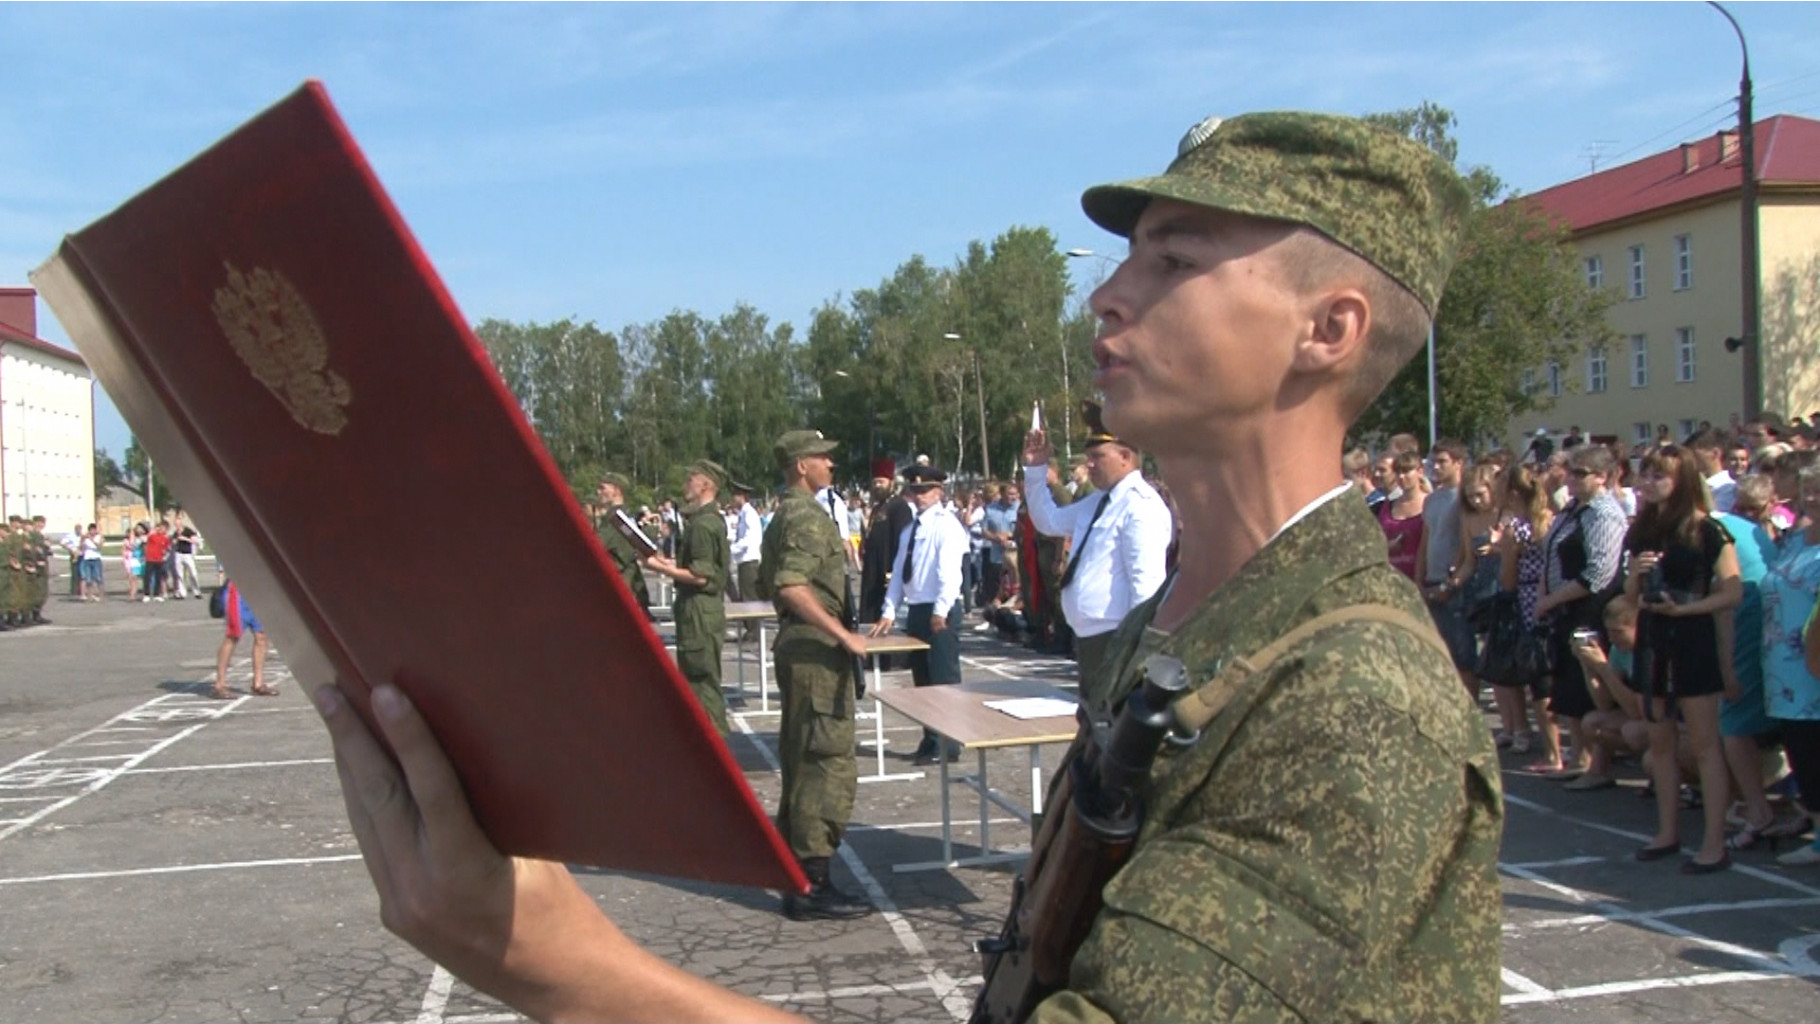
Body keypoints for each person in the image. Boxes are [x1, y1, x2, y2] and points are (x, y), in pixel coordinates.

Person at [309, 111, 1500, 1021]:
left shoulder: (1354, 699)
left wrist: (561, 966)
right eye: (1124, 259)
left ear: (1326, 330)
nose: (1106, 296)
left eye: (1173, 259)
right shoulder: (1205, 623)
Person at [760, 429, 874, 919]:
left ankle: (798, 874)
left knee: (802, 756)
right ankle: (813, 883)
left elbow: (769, 581)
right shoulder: (807, 516)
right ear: (801, 465)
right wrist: (842, 634)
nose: (831, 464)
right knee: (826, 763)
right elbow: (790, 585)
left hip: (801, 648)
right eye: (822, 458)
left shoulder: (784, 513)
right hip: (816, 655)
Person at [1623, 444, 1742, 873]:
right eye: (1646, 474)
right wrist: (1636, 579)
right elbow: (1630, 597)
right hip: (1654, 637)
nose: (1648, 482)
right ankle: (1667, 831)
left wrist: (1687, 609)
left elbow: (1733, 592)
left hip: (1693, 638)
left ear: (1682, 480)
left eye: (1659, 475)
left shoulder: (1707, 529)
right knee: (1660, 741)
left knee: (1705, 744)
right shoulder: (1642, 531)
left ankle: (1714, 842)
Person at [1021, 400, 1172, 702]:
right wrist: (1035, 470)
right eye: (1088, 457)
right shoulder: (1098, 502)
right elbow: (1048, 521)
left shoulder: (1140, 505)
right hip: (1092, 637)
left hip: (1115, 638)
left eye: (1097, 456)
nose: (1088, 464)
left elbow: (1146, 584)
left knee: (1109, 720)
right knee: (1094, 721)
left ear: (1125, 457)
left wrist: (1133, 650)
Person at [870, 463, 970, 764]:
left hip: (940, 608)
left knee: (943, 679)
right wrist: (889, 610)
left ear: (938, 492)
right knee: (923, 682)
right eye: (915, 490)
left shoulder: (947, 525)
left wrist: (940, 610)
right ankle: (931, 738)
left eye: (925, 490)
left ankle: (949, 743)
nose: (919, 495)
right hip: (916, 608)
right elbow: (899, 571)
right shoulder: (910, 529)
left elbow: (950, 573)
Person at [642, 460, 732, 735]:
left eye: (691, 479)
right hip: (700, 609)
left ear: (706, 485)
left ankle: (713, 741)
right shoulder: (706, 520)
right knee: (698, 680)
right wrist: (669, 564)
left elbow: (701, 576)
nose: (686, 485)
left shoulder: (703, 524)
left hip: (699, 610)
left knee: (701, 683)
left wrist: (658, 568)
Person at [592, 472, 652, 619]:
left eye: (603, 488)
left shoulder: (615, 520)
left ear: (616, 491)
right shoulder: (625, 516)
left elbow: (594, 545)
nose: (598, 492)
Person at [212, 579, 275, 699]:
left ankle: (258, 683)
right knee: (233, 636)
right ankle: (220, 684)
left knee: (261, 636)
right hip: (238, 593)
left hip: (259, 592)